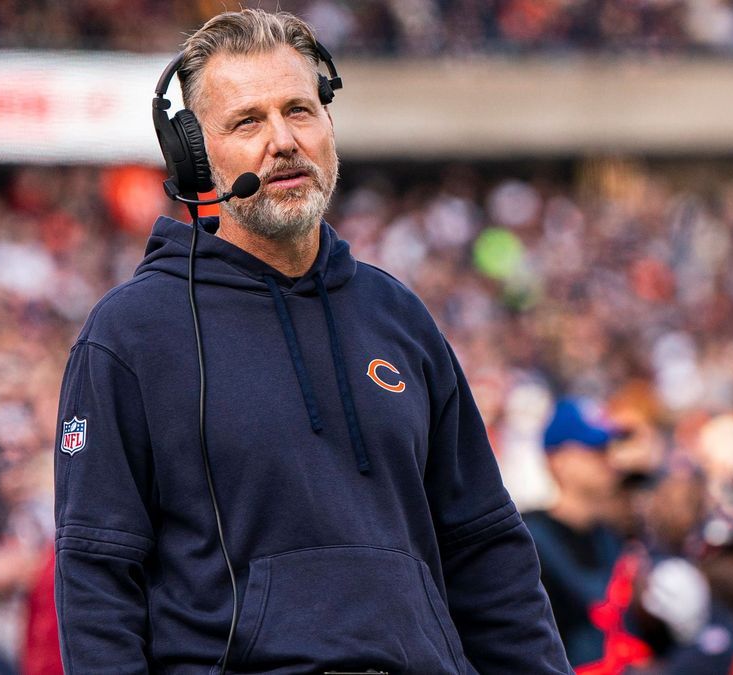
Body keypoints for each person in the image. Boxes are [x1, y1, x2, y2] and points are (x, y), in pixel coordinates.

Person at [53, 8, 569, 673]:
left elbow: (486, 549)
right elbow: (97, 578)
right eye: (247, 121)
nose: (282, 141)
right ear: (194, 152)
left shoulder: (399, 316)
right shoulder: (128, 336)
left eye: (299, 111)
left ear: (328, 125)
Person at [522, 399, 632, 669]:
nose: (610, 460)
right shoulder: (526, 541)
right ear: (558, 460)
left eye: (608, 448)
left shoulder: (612, 536)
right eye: (596, 449)